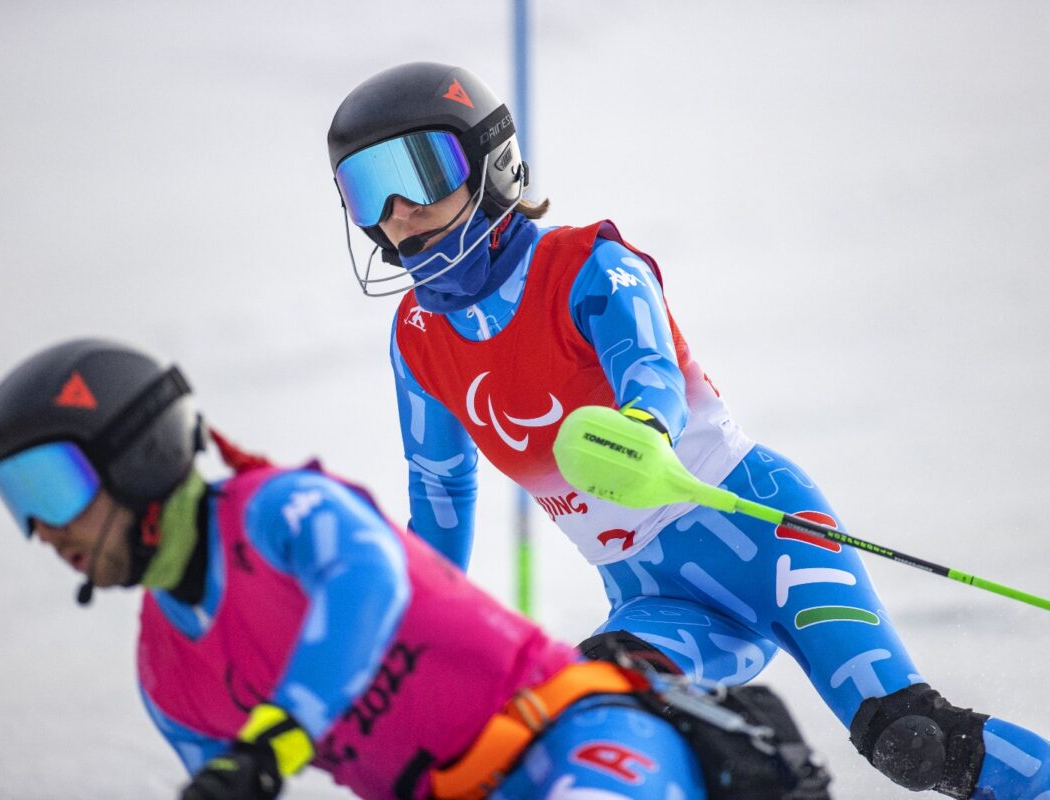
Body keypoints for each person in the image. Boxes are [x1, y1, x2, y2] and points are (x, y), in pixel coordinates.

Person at [325, 61, 1050, 799]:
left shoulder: (586, 265)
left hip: (768, 538)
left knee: (911, 740)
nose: (396, 210)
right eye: (364, 189)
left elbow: (649, 367)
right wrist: (402, 621)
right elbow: (440, 492)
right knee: (594, 719)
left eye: (417, 170)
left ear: (490, 163)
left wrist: (645, 426)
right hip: (654, 598)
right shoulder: (416, 336)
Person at [0, 338, 831, 800]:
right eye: (19, 502)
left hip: (585, 739)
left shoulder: (279, 512)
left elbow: (369, 584)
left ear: (138, 451)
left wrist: (278, 736)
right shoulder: (166, 675)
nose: (44, 528)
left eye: (53, 485)